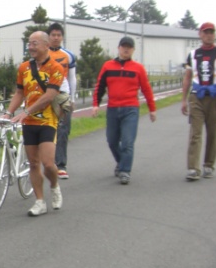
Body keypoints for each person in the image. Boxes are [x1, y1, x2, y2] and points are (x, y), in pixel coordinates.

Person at [3, 31, 64, 216]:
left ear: (46, 45)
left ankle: (54, 185)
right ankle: (39, 201)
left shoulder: (56, 67)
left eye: (34, 43)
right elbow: (20, 93)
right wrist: (8, 112)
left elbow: (50, 95)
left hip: (47, 120)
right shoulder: (23, 68)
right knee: (33, 163)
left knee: (48, 163)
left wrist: (27, 111)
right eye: (29, 43)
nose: (30, 47)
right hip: (28, 122)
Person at [92, 36, 156, 185]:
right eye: (123, 46)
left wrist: (152, 109)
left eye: (129, 47)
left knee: (127, 141)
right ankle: (121, 162)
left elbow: (146, 89)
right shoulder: (108, 66)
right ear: (119, 48)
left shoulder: (138, 68)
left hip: (130, 108)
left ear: (133, 50)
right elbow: (100, 86)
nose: (126, 49)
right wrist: (96, 104)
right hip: (113, 108)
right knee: (112, 141)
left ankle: (125, 171)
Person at [180, 22, 216, 180]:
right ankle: (193, 168)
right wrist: (183, 100)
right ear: (200, 34)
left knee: (212, 132)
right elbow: (188, 77)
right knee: (195, 133)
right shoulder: (193, 54)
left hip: (215, 96)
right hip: (197, 96)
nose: (209, 35)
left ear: (215, 34)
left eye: (211, 32)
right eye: (206, 32)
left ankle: (209, 164)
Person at [47, 22, 77, 179]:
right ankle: (45, 161)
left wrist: (72, 98)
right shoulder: (41, 53)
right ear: (48, 36)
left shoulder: (68, 55)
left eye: (59, 35)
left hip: (63, 94)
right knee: (45, 129)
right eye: (53, 35)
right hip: (45, 95)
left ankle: (61, 165)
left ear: (62, 37)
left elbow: (72, 78)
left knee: (63, 129)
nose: (56, 38)